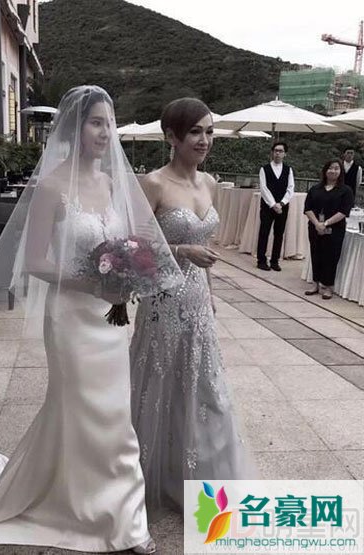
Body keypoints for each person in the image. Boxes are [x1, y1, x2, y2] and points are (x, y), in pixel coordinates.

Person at [0, 86, 183, 553]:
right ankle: (114, 518)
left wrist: (127, 274)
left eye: (109, 123)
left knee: (112, 412)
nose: (105, 132)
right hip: (71, 318)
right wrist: (93, 284)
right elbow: (35, 261)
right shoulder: (52, 186)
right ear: (74, 127)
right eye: (96, 122)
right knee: (85, 408)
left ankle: (110, 508)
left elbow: (126, 245)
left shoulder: (110, 184)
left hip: (109, 318)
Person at [129, 98, 252, 514]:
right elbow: (134, 249)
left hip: (198, 298)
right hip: (163, 300)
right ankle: (154, 474)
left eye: (209, 131)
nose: (204, 140)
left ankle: (204, 480)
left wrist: (211, 295)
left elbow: (207, 248)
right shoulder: (154, 184)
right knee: (162, 385)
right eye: (195, 132)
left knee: (207, 390)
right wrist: (181, 249)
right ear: (172, 136)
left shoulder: (210, 183)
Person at [304, 159, 354, 300]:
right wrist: (317, 224)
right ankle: (315, 283)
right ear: (325, 171)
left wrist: (325, 224)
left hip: (335, 229)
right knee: (316, 254)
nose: (333, 171)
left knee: (331, 257)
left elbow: (343, 211)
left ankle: (328, 286)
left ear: (340, 171)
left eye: (336, 168)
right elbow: (307, 208)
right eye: (330, 168)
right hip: (315, 227)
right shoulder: (315, 189)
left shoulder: (346, 190)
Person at [256, 142, 295, 271]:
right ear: (272, 152)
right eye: (276, 151)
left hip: (283, 206)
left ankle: (274, 261)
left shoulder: (288, 170)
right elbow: (263, 188)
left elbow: (290, 188)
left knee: (279, 233)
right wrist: (273, 204)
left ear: (285, 154)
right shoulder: (264, 169)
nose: (278, 153)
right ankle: (261, 260)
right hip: (267, 206)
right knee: (264, 232)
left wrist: (282, 203)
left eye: (280, 151)